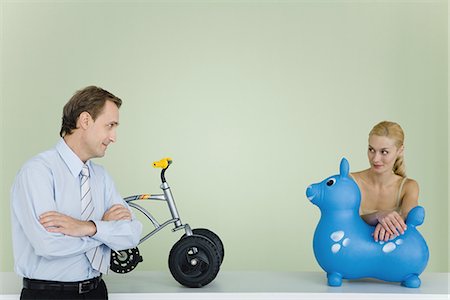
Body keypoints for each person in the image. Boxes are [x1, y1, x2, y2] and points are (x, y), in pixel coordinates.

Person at [10, 86, 143, 300]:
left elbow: (132, 234)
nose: (114, 137)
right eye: (110, 126)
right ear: (85, 120)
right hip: (48, 295)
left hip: (97, 292)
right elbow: (48, 245)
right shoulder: (37, 172)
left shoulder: (102, 177)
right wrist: (103, 230)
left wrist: (86, 227)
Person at [351, 121, 419, 243]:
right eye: (371, 150)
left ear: (400, 150)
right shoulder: (351, 182)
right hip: (352, 258)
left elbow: (406, 219)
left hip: (391, 260)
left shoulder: (408, 187)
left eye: (384, 152)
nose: (375, 159)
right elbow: (346, 220)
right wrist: (378, 216)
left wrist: (390, 222)